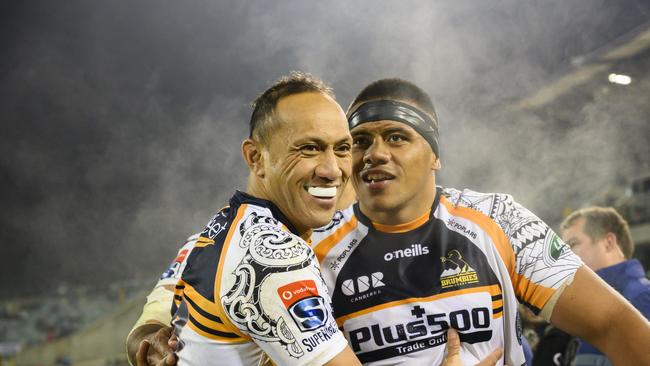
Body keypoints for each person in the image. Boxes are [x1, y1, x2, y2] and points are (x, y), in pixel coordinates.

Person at [129, 78, 650, 365]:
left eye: (396, 137)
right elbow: (195, 262)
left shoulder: (499, 220)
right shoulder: (302, 243)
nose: (373, 155)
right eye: (360, 142)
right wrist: (152, 326)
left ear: (435, 155)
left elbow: (616, 326)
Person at [139, 72, 366, 366]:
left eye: (343, 148)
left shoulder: (222, 226)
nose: (332, 170)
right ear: (255, 158)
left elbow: (156, 312)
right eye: (309, 148)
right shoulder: (272, 257)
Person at [559, 206, 650, 366]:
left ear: (608, 243)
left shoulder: (640, 298)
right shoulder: (590, 306)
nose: (565, 257)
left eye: (573, 244)